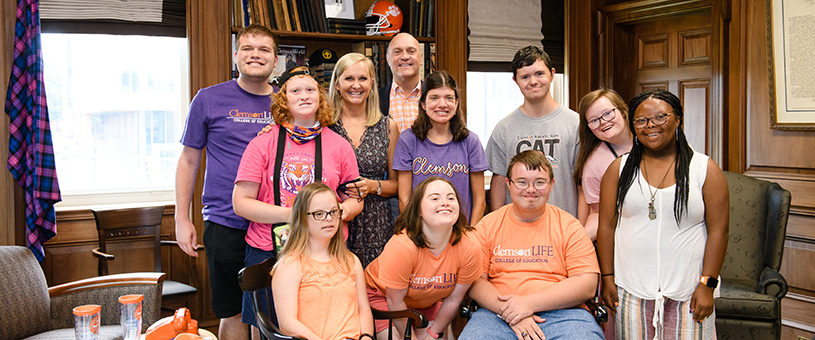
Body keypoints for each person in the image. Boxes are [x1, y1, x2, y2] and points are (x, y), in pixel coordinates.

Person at [233, 66, 364, 334]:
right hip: (268, 249)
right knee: (266, 327)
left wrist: (335, 212)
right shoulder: (262, 144)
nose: (304, 96)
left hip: (326, 252)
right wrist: (298, 214)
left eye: (310, 90)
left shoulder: (339, 145)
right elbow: (241, 203)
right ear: (284, 100)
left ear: (321, 97)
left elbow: (355, 201)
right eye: (295, 91)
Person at [596, 89, 729, 339]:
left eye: (660, 117)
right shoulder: (618, 170)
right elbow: (606, 227)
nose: (650, 126)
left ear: (677, 119)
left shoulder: (705, 170)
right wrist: (608, 277)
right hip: (631, 289)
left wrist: (707, 284)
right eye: (641, 120)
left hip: (689, 290)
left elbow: (719, 231)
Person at [174, 24, 277, 340]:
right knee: (231, 311)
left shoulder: (289, 103)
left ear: (276, 59)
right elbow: (189, 160)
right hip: (224, 222)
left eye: (264, 49)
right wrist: (181, 217)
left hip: (276, 224)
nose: (255, 55)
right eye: (247, 48)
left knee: (272, 311)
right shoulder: (208, 99)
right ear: (236, 56)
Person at [459, 150, 604, 340]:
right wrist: (511, 312)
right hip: (497, 312)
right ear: (508, 184)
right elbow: (475, 282)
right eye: (521, 182)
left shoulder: (569, 226)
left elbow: (586, 284)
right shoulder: (488, 225)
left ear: (552, 184)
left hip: (565, 313)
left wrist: (528, 304)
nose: (531, 189)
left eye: (540, 182)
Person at [365, 176, 481, 340]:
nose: (445, 203)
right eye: (435, 198)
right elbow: (395, 302)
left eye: (451, 198)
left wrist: (433, 334)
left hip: (429, 302)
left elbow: (454, 299)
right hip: (385, 299)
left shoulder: (470, 245)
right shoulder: (402, 246)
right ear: (418, 210)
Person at [272, 182, 375, 340]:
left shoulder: (351, 260)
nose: (329, 219)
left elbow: (363, 309)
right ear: (302, 218)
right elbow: (287, 323)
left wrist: (367, 337)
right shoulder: (290, 265)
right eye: (319, 214)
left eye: (334, 212)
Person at [486, 46, 580, 218]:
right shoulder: (504, 128)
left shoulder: (575, 124)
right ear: (515, 80)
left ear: (552, 74)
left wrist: (580, 229)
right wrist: (497, 227)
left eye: (539, 74)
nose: (533, 81)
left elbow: (584, 184)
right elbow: (498, 183)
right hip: (517, 230)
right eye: (525, 77)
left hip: (564, 228)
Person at [328, 53, 400, 268]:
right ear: (338, 84)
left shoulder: (388, 127)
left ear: (372, 84)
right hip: (333, 221)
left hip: (376, 225)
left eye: (363, 79)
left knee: (374, 293)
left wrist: (372, 186)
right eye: (349, 78)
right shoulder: (323, 125)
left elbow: (397, 184)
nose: (356, 85)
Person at [393, 71, 488, 226]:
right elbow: (405, 199)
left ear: (456, 103)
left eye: (449, 98)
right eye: (434, 98)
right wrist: (417, 232)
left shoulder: (471, 142)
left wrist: (470, 236)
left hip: (461, 233)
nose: (442, 104)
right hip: (421, 233)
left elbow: (479, 200)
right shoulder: (407, 140)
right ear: (423, 104)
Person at [574, 89, 633, 241]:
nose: (603, 122)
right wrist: (580, 242)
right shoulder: (594, 162)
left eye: (608, 113)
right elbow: (597, 212)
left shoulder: (650, 139)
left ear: (622, 110)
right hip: (624, 239)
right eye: (594, 120)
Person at [378, 32, 423, 133]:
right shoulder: (374, 100)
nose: (405, 57)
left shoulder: (436, 97)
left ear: (421, 58)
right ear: (388, 59)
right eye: (397, 52)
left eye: (411, 51)